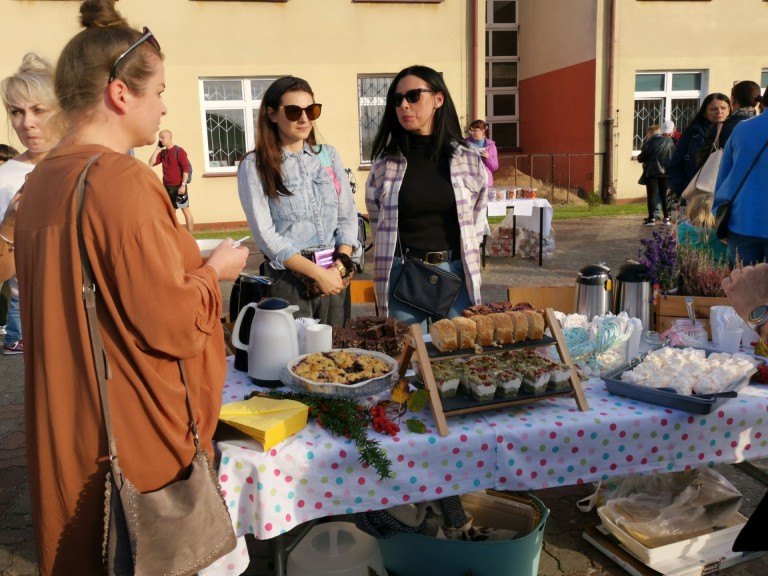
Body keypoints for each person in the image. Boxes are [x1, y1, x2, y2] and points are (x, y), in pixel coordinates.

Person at [13, 1, 248, 573]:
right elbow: (170, 321)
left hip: (70, 426)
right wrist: (214, 273)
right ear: (121, 93)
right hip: (137, 435)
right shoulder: (122, 178)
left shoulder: (43, 177)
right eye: (160, 90)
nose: (165, 104)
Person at [365, 65, 488, 329]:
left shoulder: (468, 160)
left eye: (413, 96)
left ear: (438, 99)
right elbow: (379, 224)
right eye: (397, 100)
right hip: (404, 275)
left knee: (460, 361)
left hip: (456, 274)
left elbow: (478, 223)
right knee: (408, 360)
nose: (404, 106)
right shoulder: (385, 165)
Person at [237, 76, 358, 327]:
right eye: (293, 111)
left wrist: (340, 266)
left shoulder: (328, 157)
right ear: (271, 115)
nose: (304, 119)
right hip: (290, 283)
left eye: (312, 110)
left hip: (336, 278)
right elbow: (266, 236)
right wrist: (317, 273)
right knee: (294, 361)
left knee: (338, 358)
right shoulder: (256, 165)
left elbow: (347, 217)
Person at [0, 54, 61, 355]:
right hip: (37, 324)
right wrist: (10, 224)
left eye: (39, 110)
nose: (27, 123)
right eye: (16, 112)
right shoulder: (5, 177)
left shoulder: (89, 163)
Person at [712, 98, 768, 266]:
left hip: (741, 220)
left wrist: (717, 213)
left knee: (743, 288)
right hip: (743, 221)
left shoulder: (742, 129)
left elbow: (723, 174)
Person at [667, 93, 731, 201]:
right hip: (696, 195)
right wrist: (685, 189)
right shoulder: (693, 133)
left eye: (723, 108)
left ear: (729, 110)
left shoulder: (737, 131)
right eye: (713, 109)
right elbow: (675, 166)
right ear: (704, 113)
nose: (719, 112)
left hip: (725, 194)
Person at [696, 80, 761, 169]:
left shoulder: (719, 128)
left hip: (726, 180)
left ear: (732, 100)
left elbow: (701, 161)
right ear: (757, 102)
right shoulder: (763, 126)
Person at [148, 129, 194, 232]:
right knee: (171, 212)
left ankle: (191, 237)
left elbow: (185, 170)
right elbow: (151, 163)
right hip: (167, 187)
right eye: (160, 137)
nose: (160, 139)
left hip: (179, 187)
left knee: (185, 211)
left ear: (169, 138)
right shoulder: (163, 153)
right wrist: (158, 149)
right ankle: (175, 235)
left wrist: (183, 185)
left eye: (162, 137)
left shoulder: (179, 151)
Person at [637, 124, 675, 226]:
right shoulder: (670, 141)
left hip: (652, 173)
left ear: (650, 133)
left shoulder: (649, 143)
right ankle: (666, 218)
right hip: (666, 173)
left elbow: (640, 158)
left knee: (652, 196)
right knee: (664, 196)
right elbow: (673, 156)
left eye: (647, 134)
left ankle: (651, 219)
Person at [466, 119, 499, 186]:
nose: (472, 133)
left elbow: (495, 167)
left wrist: (488, 157)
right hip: (469, 182)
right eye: (471, 131)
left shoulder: (491, 146)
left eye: (475, 131)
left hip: (486, 182)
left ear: (483, 131)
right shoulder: (465, 143)